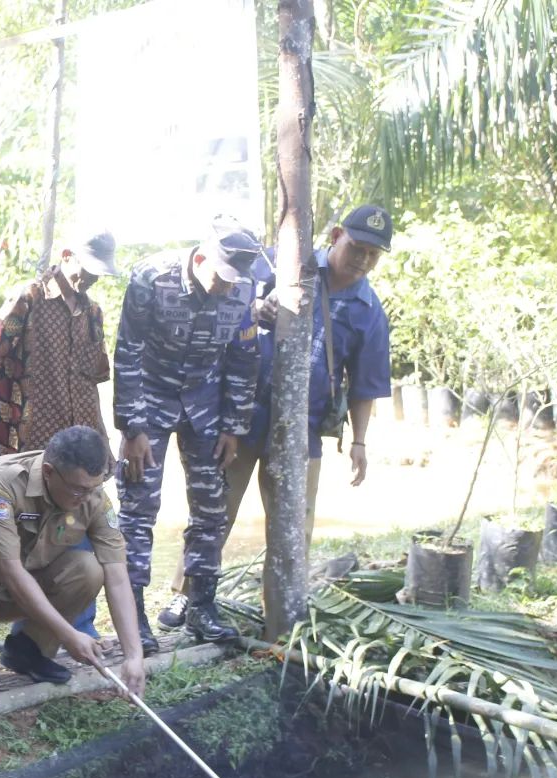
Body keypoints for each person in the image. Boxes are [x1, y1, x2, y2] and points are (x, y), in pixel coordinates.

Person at [157, 205, 394, 629]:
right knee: (216, 510)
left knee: (292, 528)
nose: (362, 259)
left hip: (304, 430)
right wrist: (256, 309)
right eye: (357, 247)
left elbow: (365, 383)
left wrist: (358, 442)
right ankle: (187, 596)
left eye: (373, 254)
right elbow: (224, 301)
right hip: (244, 416)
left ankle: (281, 617)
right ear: (337, 235)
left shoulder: (368, 310)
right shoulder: (282, 266)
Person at [0, 228, 123, 639]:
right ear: (67, 255)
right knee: (28, 542)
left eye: (98, 274)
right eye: (86, 270)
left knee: (81, 531)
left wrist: (104, 444)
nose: (89, 279)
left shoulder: (93, 313)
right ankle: (20, 629)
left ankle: (73, 630)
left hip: (81, 450)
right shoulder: (28, 299)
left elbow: (91, 385)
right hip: (30, 450)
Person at [114, 216, 261, 651]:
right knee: (138, 509)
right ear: (200, 258)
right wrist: (133, 427)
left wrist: (234, 427)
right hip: (152, 402)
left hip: (205, 405)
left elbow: (242, 358)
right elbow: (128, 352)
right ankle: (134, 613)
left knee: (212, 509)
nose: (226, 287)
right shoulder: (151, 278)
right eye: (221, 276)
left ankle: (201, 606)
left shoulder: (244, 290)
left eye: (234, 280)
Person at [0, 426, 147, 697]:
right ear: (48, 472)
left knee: (90, 569)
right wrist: (70, 636)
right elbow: (10, 572)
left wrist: (134, 656)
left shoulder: (91, 495)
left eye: (95, 487)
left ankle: (29, 650)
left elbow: (117, 577)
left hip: (28, 587)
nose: (87, 497)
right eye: (78, 489)